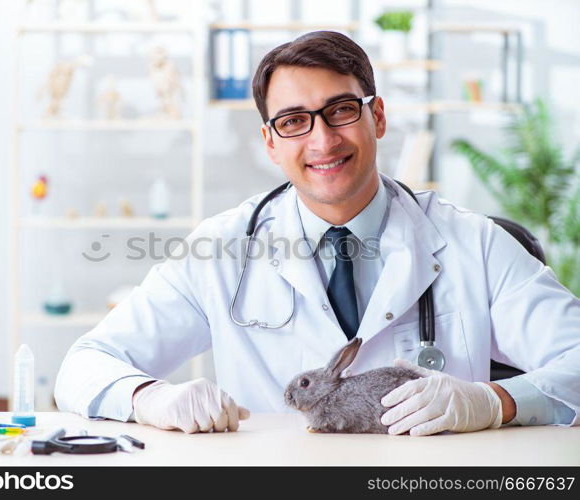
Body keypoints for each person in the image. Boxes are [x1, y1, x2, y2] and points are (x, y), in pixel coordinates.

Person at [54, 31, 579, 435]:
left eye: (341, 111)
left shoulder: (474, 242)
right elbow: (83, 366)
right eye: (293, 122)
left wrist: (494, 402)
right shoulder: (222, 250)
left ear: (377, 116)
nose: (322, 140)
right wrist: (149, 398)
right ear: (270, 142)